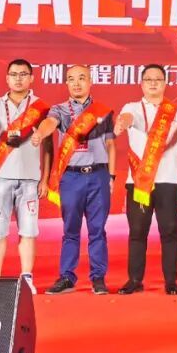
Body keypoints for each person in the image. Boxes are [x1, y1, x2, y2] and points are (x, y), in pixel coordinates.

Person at [33, 64, 115, 295]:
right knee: (70, 229)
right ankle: (67, 277)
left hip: (98, 175)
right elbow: (50, 123)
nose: (76, 83)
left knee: (97, 230)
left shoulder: (102, 111)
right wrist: (40, 133)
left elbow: (110, 144)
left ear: (90, 81)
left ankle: (98, 278)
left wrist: (111, 175)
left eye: (81, 78)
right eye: (71, 79)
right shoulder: (59, 109)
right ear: (67, 83)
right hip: (71, 177)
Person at [113, 64, 177, 295]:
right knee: (138, 231)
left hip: (169, 180)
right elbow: (128, 118)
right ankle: (134, 280)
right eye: (148, 79)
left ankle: (171, 281)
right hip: (139, 181)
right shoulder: (132, 107)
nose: (153, 83)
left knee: (170, 231)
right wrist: (123, 122)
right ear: (141, 83)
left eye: (158, 79)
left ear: (165, 83)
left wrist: (174, 159)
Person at [0, 59, 51, 295]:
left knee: (28, 231)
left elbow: (48, 146)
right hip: (1, 178)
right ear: (7, 78)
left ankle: (27, 277)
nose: (18, 78)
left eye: (23, 74)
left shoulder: (40, 107)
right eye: (14, 74)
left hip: (30, 179)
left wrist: (45, 179)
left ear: (31, 78)